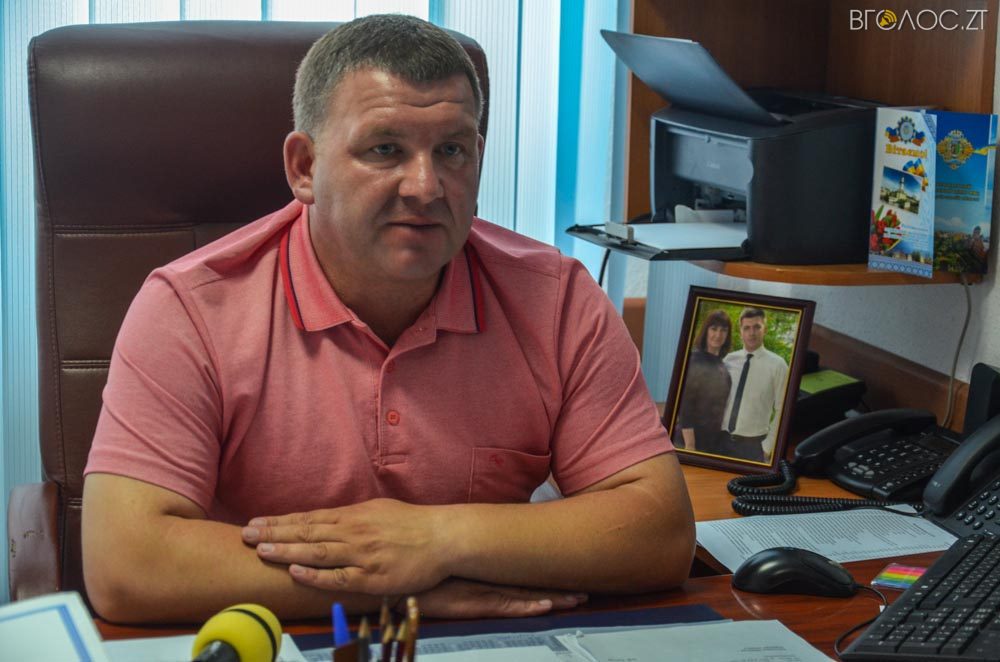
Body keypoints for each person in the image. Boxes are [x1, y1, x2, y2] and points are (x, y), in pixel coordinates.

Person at [81, 15, 695, 624]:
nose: (426, 187)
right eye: (385, 150)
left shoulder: (555, 299)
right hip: (275, 634)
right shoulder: (191, 307)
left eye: (451, 150)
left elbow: (661, 534)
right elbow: (127, 562)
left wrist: (438, 540)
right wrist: (392, 595)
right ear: (304, 168)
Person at [721, 307, 788, 463]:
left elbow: (783, 409)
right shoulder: (728, 360)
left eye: (757, 327)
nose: (752, 333)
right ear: (741, 331)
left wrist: (767, 447)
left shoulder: (778, 365)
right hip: (721, 440)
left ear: (765, 329)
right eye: (747, 328)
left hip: (754, 447)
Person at [674, 309, 732, 455]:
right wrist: (690, 446)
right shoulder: (694, 360)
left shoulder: (723, 368)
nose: (718, 335)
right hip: (687, 443)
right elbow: (685, 406)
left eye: (723, 330)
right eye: (714, 328)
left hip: (711, 445)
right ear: (706, 330)